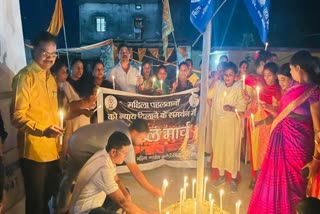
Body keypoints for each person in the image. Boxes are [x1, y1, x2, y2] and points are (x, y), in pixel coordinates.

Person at [248, 50, 320, 214]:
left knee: (296, 188)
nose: (291, 73)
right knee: (279, 188)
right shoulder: (293, 89)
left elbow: (318, 130)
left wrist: (316, 160)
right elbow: (283, 116)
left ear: (298, 68)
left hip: (299, 149)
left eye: (292, 70)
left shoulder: (313, 92)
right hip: (283, 146)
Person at [56, 119, 162, 213]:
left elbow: (116, 179)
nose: (126, 156)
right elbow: (123, 202)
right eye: (124, 154)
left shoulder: (105, 152)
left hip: (76, 139)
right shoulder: (104, 168)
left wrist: (126, 194)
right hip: (85, 210)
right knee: (116, 197)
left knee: (123, 192)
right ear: (114, 151)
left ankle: (63, 208)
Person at [11, 31, 63, 214]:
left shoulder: (50, 79)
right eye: (45, 53)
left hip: (52, 151)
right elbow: (17, 117)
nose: (49, 58)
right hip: (34, 153)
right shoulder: (25, 77)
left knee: (48, 198)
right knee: (36, 203)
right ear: (34, 51)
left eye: (53, 54)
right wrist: (42, 130)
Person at [208, 62, 247, 192]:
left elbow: (242, 106)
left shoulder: (239, 87)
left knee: (231, 151)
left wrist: (232, 108)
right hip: (219, 124)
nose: (227, 77)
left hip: (232, 125)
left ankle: (234, 178)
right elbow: (209, 95)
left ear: (235, 76)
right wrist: (215, 79)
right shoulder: (218, 85)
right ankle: (221, 176)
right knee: (219, 149)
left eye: (230, 75)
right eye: (225, 75)